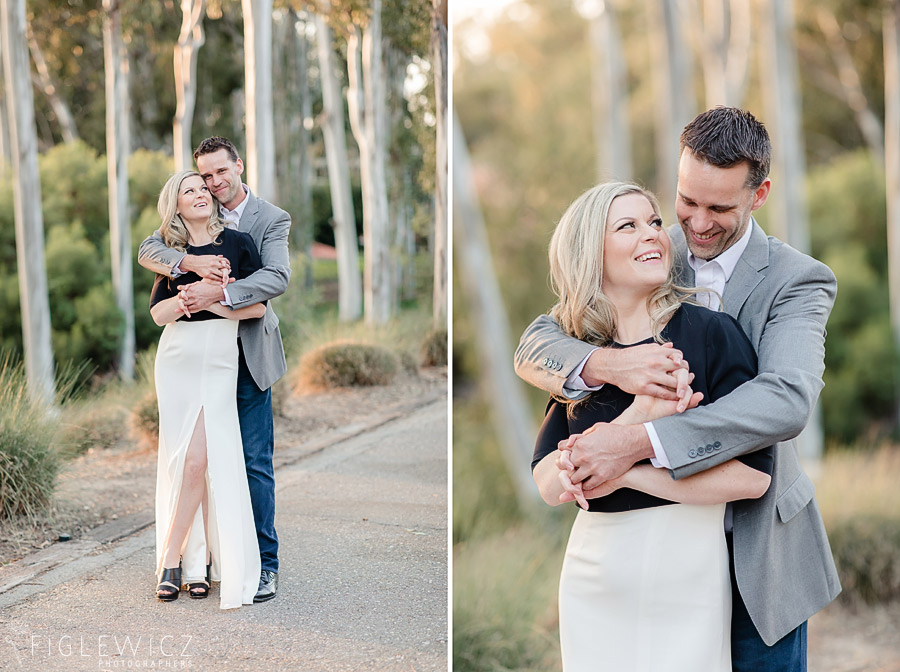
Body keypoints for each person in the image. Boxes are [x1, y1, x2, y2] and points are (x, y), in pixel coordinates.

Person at [516, 107, 841, 671]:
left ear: (759, 193)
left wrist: (638, 442)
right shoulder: (647, 251)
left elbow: (786, 399)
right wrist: (614, 368)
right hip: (628, 565)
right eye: (687, 201)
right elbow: (538, 340)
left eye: (719, 207)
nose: (696, 222)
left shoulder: (797, 279)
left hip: (761, 552)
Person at [532, 181, 773, 671]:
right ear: (591, 253)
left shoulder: (711, 334)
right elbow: (548, 482)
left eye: (653, 221)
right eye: (628, 225)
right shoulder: (585, 358)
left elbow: (752, 479)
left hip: (686, 575)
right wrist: (641, 413)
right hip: (593, 579)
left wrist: (622, 471)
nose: (654, 234)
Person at [139, 137, 291, 602]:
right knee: (192, 459)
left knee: (251, 462)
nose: (212, 184)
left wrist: (216, 295)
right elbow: (150, 252)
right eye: (202, 178)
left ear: (238, 166)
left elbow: (275, 280)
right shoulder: (177, 242)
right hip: (185, 358)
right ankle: (194, 559)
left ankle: (263, 565)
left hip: (243, 355)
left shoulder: (267, 222)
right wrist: (189, 267)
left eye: (220, 173)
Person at [150, 170, 264, 608]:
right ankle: (197, 567)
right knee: (180, 460)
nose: (199, 194)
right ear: (175, 205)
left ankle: (171, 559)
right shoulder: (171, 254)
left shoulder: (238, 244)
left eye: (202, 189)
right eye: (188, 191)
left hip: (218, 357)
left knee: (199, 459)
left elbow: (255, 308)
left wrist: (211, 299)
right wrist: (184, 300)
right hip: (176, 358)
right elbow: (158, 315)